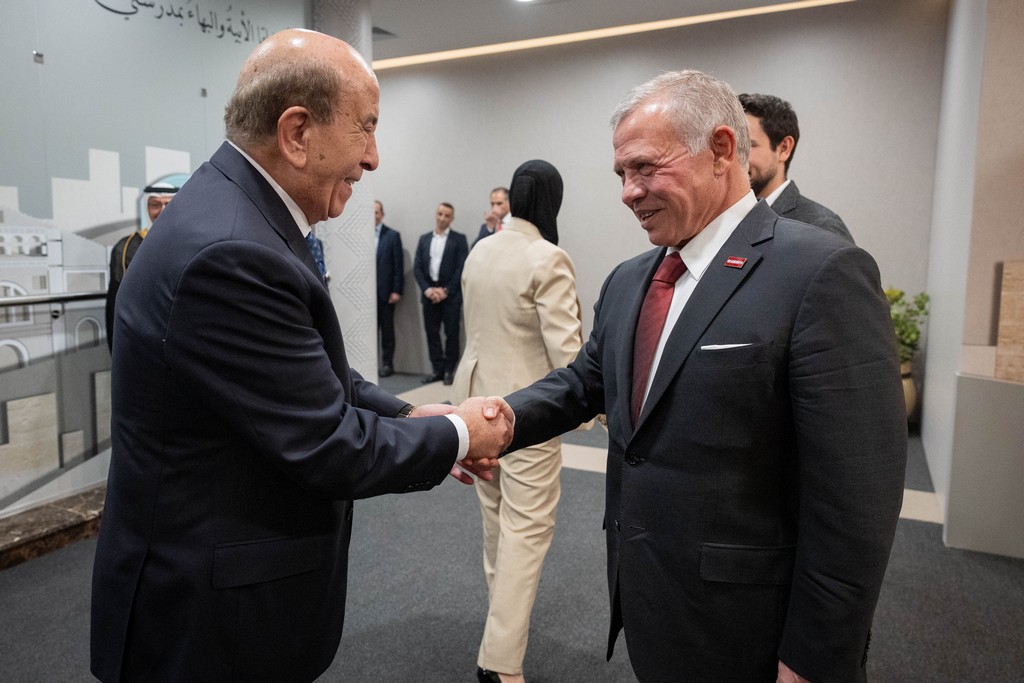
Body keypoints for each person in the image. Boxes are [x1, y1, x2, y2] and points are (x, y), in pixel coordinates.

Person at [90, 29, 511, 683]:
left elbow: (303, 371)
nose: (373, 157)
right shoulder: (232, 250)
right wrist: (460, 432)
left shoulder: (235, 215)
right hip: (206, 625)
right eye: (366, 127)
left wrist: (407, 415)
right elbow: (328, 445)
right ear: (296, 133)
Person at [503, 70, 907, 682]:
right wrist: (487, 421)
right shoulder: (630, 279)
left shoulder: (822, 271)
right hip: (652, 606)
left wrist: (813, 659)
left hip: (751, 634)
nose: (628, 192)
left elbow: (856, 501)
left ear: (721, 150)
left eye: (645, 168)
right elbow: (583, 384)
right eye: (620, 174)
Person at [451, 160, 583, 683]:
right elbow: (568, 353)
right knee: (526, 531)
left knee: (496, 526)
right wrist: (597, 410)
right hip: (526, 416)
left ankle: (499, 634)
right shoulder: (548, 257)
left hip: (474, 408)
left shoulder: (480, 248)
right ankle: (500, 665)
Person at [739, 92, 854, 243]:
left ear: (784, 149)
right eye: (731, 146)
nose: (735, 158)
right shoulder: (729, 220)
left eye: (747, 146)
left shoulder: (821, 227)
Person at [105, 180, 180, 352]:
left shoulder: (190, 242)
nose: (162, 210)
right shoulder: (126, 248)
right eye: (155, 205)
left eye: (168, 204)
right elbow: (116, 303)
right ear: (146, 207)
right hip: (140, 336)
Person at [413, 202, 468, 385]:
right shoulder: (424, 239)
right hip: (429, 294)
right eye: (440, 214)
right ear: (436, 214)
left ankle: (449, 371)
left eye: (447, 215)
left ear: (452, 218)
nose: (442, 218)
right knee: (432, 334)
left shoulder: (459, 239)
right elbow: (418, 267)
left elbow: (461, 268)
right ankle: (437, 369)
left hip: (450, 295)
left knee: (452, 334)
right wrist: (428, 290)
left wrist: (446, 291)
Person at [375, 199, 403, 377]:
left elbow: (398, 265)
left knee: (387, 331)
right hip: (366, 296)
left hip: (385, 293)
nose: (374, 215)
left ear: (382, 214)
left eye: (376, 212)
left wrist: (396, 290)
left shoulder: (392, 236)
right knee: (370, 332)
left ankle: (387, 364)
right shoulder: (361, 236)